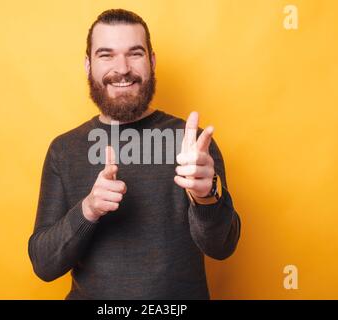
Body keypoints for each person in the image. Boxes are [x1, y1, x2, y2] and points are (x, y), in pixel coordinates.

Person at [28, 8, 241, 300]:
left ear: (152, 61)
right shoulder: (64, 150)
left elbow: (222, 247)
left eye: (135, 53)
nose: (123, 68)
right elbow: (44, 264)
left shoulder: (193, 145)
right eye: (106, 55)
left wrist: (207, 197)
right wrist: (88, 210)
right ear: (88, 65)